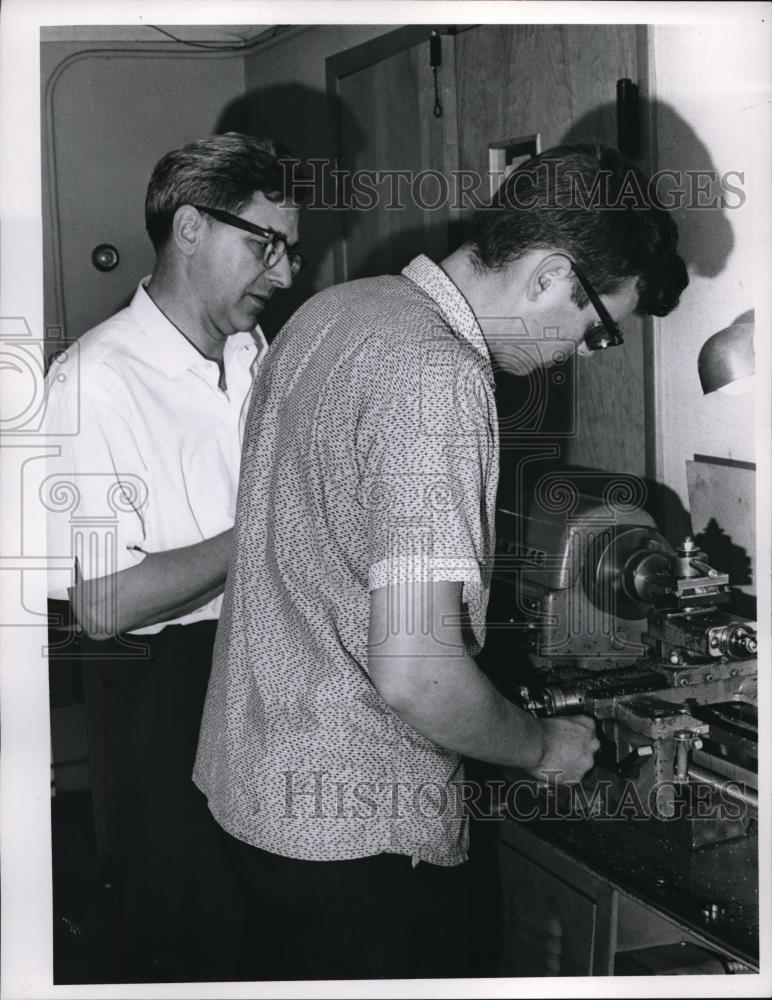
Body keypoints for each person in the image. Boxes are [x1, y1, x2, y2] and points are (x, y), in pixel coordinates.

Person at [193, 144, 689, 981]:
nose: (580, 351)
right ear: (548, 275)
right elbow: (419, 676)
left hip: (252, 792)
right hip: (359, 837)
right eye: (597, 328)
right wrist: (542, 749)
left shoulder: (335, 310)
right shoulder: (437, 373)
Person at [44, 132, 306, 981]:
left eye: (291, 250)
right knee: (195, 940)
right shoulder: (94, 382)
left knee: (277, 932)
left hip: (266, 667)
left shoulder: (250, 352)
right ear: (190, 227)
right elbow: (103, 604)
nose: (286, 272)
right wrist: (263, 534)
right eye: (266, 245)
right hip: (168, 685)